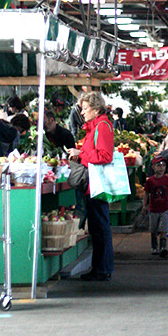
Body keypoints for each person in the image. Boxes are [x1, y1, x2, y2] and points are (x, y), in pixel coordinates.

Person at [67, 91, 114, 282]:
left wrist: (81, 154)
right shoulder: (94, 126)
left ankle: (102, 269)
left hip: (97, 185)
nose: (82, 112)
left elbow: (105, 156)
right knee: (97, 226)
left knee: (100, 226)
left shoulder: (102, 126)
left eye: (85, 108)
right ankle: (100, 268)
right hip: (92, 184)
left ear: (96, 108)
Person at [143, 155, 168, 257]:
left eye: (163, 165)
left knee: (163, 229)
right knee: (153, 229)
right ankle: (154, 246)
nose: (161, 167)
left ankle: (163, 247)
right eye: (158, 165)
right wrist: (144, 205)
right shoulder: (150, 181)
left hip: (165, 208)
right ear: (153, 167)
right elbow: (146, 194)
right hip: (153, 209)